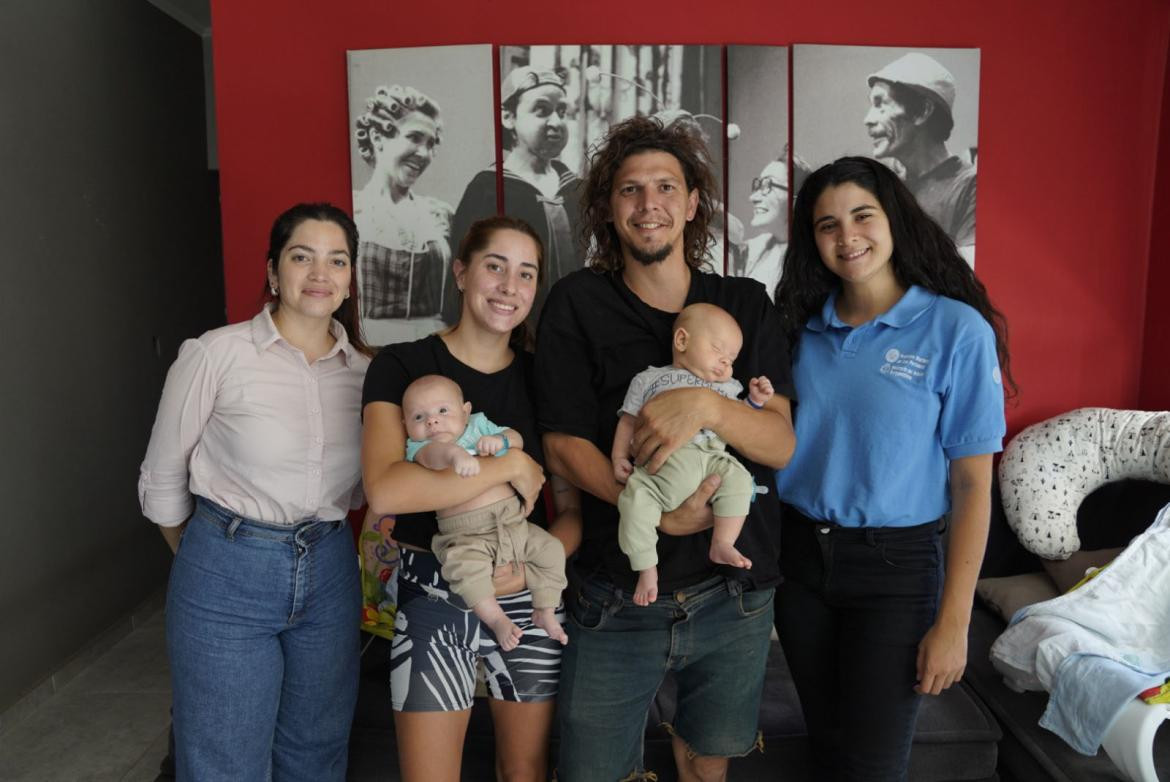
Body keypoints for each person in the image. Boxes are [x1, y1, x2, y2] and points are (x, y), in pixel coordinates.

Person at [535, 115, 796, 781]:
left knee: (707, 768)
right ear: (607, 208)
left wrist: (708, 404)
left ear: (691, 204)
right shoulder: (577, 303)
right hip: (614, 596)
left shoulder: (743, 303)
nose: (649, 205)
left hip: (732, 597)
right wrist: (651, 508)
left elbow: (779, 441)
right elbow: (562, 446)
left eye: (665, 187)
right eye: (629, 190)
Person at [772, 156, 1013, 781]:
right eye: (827, 225)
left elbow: (972, 483)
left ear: (895, 221)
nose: (847, 237)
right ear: (812, 240)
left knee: (872, 768)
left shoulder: (956, 330)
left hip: (896, 569)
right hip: (798, 562)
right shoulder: (800, 328)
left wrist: (953, 623)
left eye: (862, 216)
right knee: (825, 752)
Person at [139, 203, 371, 781]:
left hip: (331, 569)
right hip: (226, 568)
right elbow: (161, 478)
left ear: (349, 279)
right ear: (273, 272)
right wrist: (212, 560)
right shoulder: (216, 354)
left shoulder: (367, 376)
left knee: (315, 752)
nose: (320, 273)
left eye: (336, 260)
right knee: (224, 758)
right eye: (302, 257)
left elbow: (371, 486)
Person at [361, 215, 582, 782]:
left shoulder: (544, 378)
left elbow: (574, 510)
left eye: (526, 273)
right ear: (461, 273)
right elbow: (387, 489)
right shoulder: (403, 366)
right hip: (434, 594)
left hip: (526, 599)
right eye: (494, 267)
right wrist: (507, 464)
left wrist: (526, 568)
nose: (510, 286)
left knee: (525, 772)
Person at [611, 303, 774, 605]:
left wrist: (754, 400)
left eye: (732, 358)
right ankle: (647, 568)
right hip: (659, 468)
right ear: (682, 341)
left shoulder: (726, 387)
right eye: (718, 350)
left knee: (739, 479)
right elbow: (628, 420)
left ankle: (722, 542)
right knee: (633, 505)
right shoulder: (650, 379)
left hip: (712, 456)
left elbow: (739, 419)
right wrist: (619, 456)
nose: (725, 362)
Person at [401, 373, 568, 649]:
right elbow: (434, 458)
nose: (432, 421)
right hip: (465, 535)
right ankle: (496, 620)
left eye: (443, 411)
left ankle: (545, 609)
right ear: (405, 425)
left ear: (465, 412)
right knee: (466, 573)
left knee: (551, 550)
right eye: (419, 417)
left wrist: (502, 441)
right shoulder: (420, 447)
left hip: (513, 523)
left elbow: (516, 438)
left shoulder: (479, 425)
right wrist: (455, 455)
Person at [446, 67, 584, 326]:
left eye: (562, 112)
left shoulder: (576, 189)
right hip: (508, 328)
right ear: (509, 117)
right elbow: (463, 271)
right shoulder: (488, 188)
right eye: (541, 110)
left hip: (574, 328)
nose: (556, 122)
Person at [353, 84, 453, 345]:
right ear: (378, 138)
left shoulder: (439, 214)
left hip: (433, 352)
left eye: (431, 144)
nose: (424, 153)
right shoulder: (350, 212)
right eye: (414, 137)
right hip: (365, 352)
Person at [864, 52, 977, 262]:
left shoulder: (971, 186)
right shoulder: (886, 185)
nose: (867, 119)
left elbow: (967, 274)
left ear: (922, 111)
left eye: (880, 104)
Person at [739, 145, 812, 298]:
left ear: (797, 197)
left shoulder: (814, 257)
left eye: (768, 185)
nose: (753, 198)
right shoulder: (750, 250)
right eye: (758, 185)